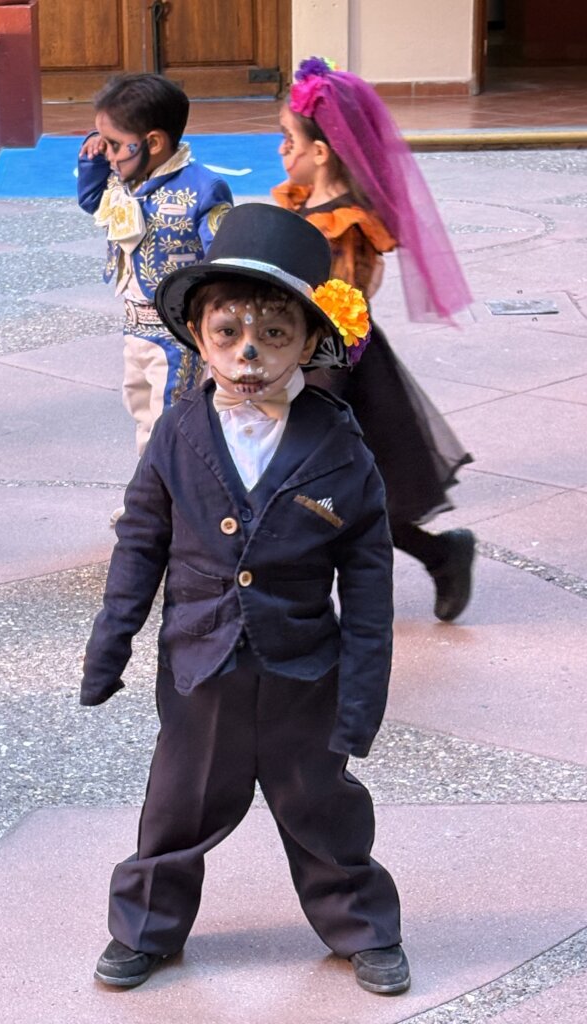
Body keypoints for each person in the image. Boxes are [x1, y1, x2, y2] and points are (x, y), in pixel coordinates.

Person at [80, 203, 410, 997]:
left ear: (308, 340)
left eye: (274, 333)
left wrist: (363, 697)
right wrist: (111, 642)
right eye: (228, 332)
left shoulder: (341, 446)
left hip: (304, 670)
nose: (248, 353)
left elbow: (369, 585)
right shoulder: (177, 433)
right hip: (201, 663)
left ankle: (363, 925)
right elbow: (140, 543)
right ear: (199, 335)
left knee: (323, 806)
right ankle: (146, 925)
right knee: (178, 804)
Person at [273, 57, 476, 622]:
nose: (281, 150)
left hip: (339, 371)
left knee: (344, 496)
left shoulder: (347, 223)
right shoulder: (302, 201)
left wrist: (315, 391)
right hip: (301, 362)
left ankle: (436, 557)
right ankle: (439, 555)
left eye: (289, 139)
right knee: (333, 496)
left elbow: (343, 309)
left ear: (321, 151)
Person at [77, 72, 233, 522]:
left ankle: (157, 506)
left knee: (169, 420)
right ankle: (162, 497)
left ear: (154, 142)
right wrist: (92, 158)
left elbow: (221, 257)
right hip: (136, 324)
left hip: (178, 332)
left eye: (113, 144)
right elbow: (91, 201)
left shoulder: (202, 188)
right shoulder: (125, 179)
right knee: (142, 409)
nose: (107, 153)